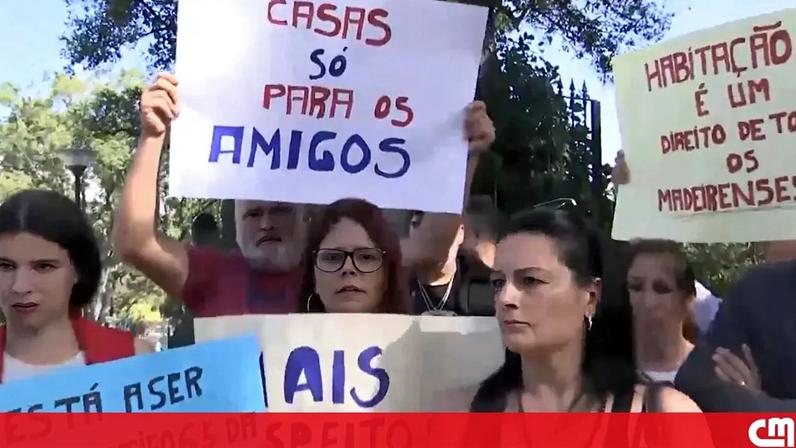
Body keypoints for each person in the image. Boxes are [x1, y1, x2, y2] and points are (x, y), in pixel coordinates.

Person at [115, 73, 495, 318]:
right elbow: (135, 242)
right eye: (252, 214)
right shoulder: (212, 274)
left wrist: (464, 156)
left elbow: (432, 243)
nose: (266, 223)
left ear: (306, 217)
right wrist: (152, 136)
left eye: (279, 211)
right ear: (235, 220)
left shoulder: (344, 264)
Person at [470, 209, 700, 413]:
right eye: (498, 283)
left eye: (530, 280)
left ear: (591, 296)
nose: (505, 298)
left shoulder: (665, 416)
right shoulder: (457, 412)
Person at [0, 190, 151, 383]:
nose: (19, 286)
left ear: (78, 270)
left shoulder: (131, 358)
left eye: (44, 266)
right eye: (5, 266)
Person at [301, 198, 410, 314]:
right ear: (313, 276)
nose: (348, 268)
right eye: (333, 258)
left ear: (387, 274)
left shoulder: (421, 331)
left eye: (366, 257)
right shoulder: (286, 331)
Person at [625, 239, 698, 384]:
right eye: (636, 287)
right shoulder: (603, 376)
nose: (648, 302)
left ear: (687, 300)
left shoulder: (712, 372)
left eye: (661, 289)